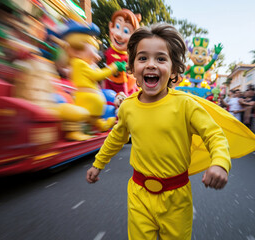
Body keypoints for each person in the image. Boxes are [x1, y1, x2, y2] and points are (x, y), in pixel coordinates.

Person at [86, 24, 232, 240]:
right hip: (138, 193)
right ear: (133, 67)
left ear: (173, 69)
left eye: (161, 59)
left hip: (176, 197)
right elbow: (117, 137)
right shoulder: (128, 106)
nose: (151, 65)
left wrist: (220, 162)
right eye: (142, 58)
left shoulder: (185, 105)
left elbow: (214, 135)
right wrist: (98, 163)